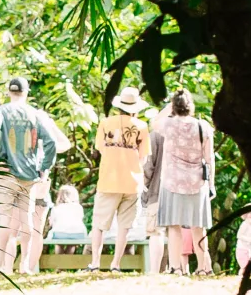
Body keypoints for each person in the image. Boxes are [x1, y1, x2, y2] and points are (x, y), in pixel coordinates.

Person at [0, 77, 66, 275]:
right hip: (29, 175)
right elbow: (51, 143)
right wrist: (44, 167)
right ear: (26, 92)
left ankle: (1, 266)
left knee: (5, 219)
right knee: (27, 219)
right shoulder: (34, 114)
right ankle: (24, 266)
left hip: (7, 173)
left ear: (9, 92)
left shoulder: (1, 111)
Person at [143, 88, 214, 276]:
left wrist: (168, 108)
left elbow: (154, 122)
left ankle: (175, 267)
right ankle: (202, 267)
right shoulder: (203, 126)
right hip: (197, 182)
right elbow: (209, 158)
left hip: (172, 181)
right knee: (199, 226)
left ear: (175, 106)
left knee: (173, 226)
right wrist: (211, 184)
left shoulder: (168, 125)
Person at [88, 84, 151, 270]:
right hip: (132, 182)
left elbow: (100, 148)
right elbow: (144, 158)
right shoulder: (142, 126)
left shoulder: (106, 123)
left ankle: (95, 263)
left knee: (99, 224)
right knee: (124, 227)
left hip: (108, 180)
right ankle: (116, 264)